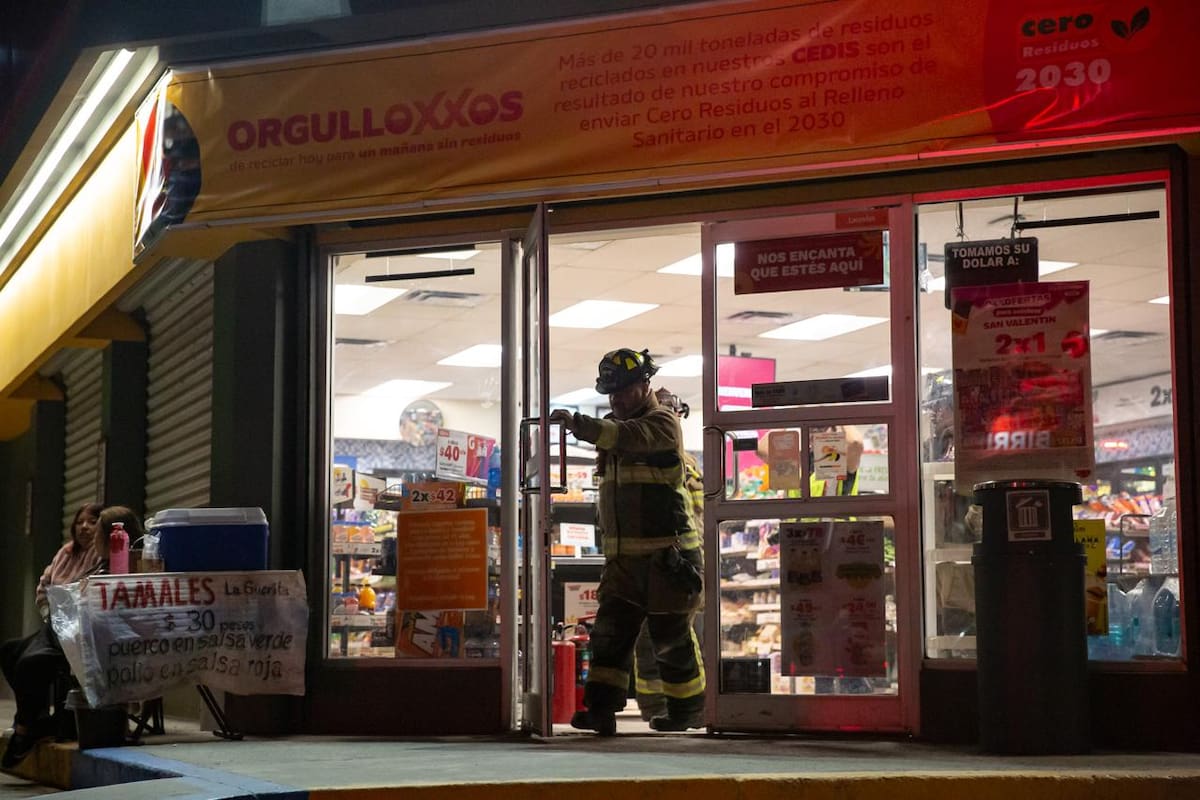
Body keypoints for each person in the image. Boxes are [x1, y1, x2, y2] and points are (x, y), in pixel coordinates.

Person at [550, 349, 705, 735]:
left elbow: (626, 436)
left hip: (668, 559)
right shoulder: (615, 427)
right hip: (624, 562)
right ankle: (601, 711)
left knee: (671, 640)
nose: (616, 400)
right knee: (609, 638)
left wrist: (578, 423)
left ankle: (687, 712)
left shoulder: (662, 423)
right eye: (611, 394)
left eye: (623, 391)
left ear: (644, 385)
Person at [1, 502, 103, 768]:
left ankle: (25, 728)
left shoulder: (102, 555)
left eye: (92, 522)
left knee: (29, 663)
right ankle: (36, 718)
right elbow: (44, 585)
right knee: (9, 650)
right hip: (55, 624)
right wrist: (48, 612)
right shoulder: (65, 553)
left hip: (79, 633)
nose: (84, 527)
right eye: (80, 522)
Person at [632, 388, 704, 721]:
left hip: (681, 559)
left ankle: (683, 707)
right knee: (656, 636)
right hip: (664, 558)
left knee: (672, 634)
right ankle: (658, 706)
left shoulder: (684, 462)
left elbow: (697, 514)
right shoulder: (658, 457)